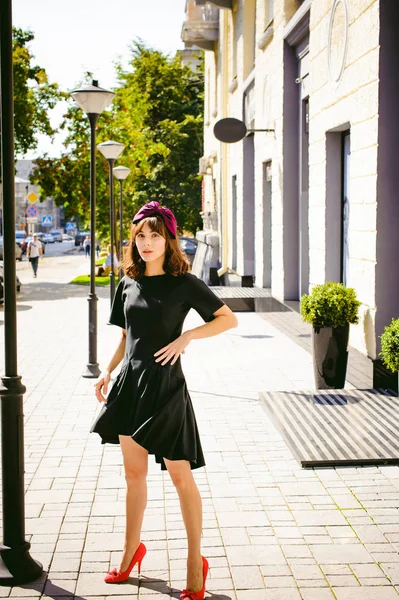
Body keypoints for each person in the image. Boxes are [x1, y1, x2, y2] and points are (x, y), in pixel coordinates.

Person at [91, 201, 238, 599]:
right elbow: (126, 336)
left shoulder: (184, 282)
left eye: (155, 235)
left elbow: (228, 318)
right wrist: (107, 370)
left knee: (179, 476)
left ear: (169, 238)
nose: (146, 242)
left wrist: (188, 336)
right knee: (133, 476)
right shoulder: (127, 283)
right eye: (141, 235)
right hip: (130, 387)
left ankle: (195, 563)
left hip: (167, 388)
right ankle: (129, 552)